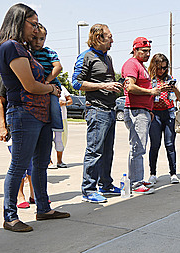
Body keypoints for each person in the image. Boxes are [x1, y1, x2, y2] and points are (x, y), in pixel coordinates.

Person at [0, 4, 70, 232]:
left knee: (40, 164)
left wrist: (49, 89)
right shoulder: (11, 47)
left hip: (41, 115)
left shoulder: (26, 50)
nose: (36, 29)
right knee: (19, 165)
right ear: (20, 22)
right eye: (34, 23)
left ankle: (44, 208)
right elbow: (29, 85)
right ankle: (10, 216)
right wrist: (51, 89)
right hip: (24, 113)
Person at [73, 23, 123, 203]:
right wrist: (103, 86)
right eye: (109, 36)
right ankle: (88, 189)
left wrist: (116, 85)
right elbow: (76, 83)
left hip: (110, 110)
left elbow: (106, 82)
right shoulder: (86, 57)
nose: (112, 40)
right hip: (96, 110)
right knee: (94, 151)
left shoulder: (107, 58)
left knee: (107, 151)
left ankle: (106, 185)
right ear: (98, 38)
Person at [122, 37, 159, 194]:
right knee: (138, 147)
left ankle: (137, 178)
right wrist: (151, 92)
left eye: (149, 51)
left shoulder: (140, 66)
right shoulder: (132, 64)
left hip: (142, 110)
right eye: (144, 51)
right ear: (135, 50)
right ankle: (136, 183)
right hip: (135, 110)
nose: (147, 53)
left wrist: (149, 110)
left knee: (139, 147)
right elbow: (130, 86)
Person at [29, 23, 64, 170]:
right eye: (35, 38)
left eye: (41, 39)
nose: (38, 42)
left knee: (54, 106)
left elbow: (58, 67)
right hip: (36, 87)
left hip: (50, 84)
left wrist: (47, 80)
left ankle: (57, 126)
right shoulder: (27, 52)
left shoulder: (49, 52)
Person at [0, 79, 35, 209]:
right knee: (19, 163)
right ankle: (20, 196)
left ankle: (34, 194)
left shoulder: (34, 74)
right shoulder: (7, 77)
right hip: (15, 125)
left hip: (33, 124)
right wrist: (2, 126)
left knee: (34, 163)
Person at [147, 53, 180, 185]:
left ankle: (173, 173)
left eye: (164, 68)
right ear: (154, 66)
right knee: (155, 145)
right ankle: (152, 173)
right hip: (154, 113)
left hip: (169, 113)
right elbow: (146, 96)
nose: (162, 71)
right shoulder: (149, 79)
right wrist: (157, 89)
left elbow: (179, 98)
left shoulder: (169, 78)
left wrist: (174, 88)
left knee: (170, 145)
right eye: (159, 68)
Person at [56, 85, 73, 168]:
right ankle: (48, 162)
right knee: (47, 141)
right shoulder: (46, 86)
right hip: (49, 118)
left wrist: (64, 103)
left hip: (62, 118)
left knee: (62, 140)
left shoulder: (62, 88)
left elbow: (70, 101)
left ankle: (59, 161)